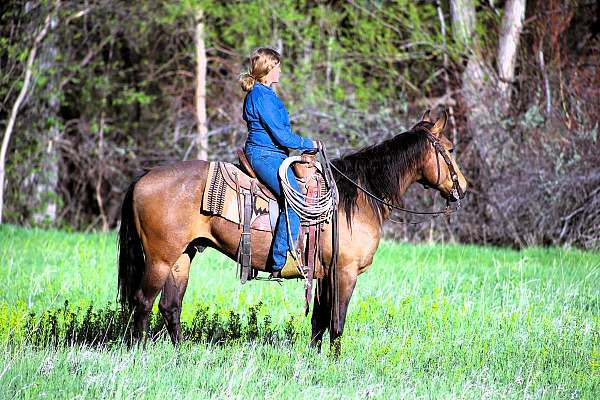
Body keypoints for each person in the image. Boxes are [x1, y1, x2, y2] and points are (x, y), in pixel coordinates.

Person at [239, 47, 319, 275]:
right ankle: (280, 262)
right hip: (264, 155)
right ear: (268, 69)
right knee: (295, 201)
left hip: (274, 154)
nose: (280, 70)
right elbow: (281, 135)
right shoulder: (260, 96)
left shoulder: (265, 93)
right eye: (277, 66)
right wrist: (309, 143)